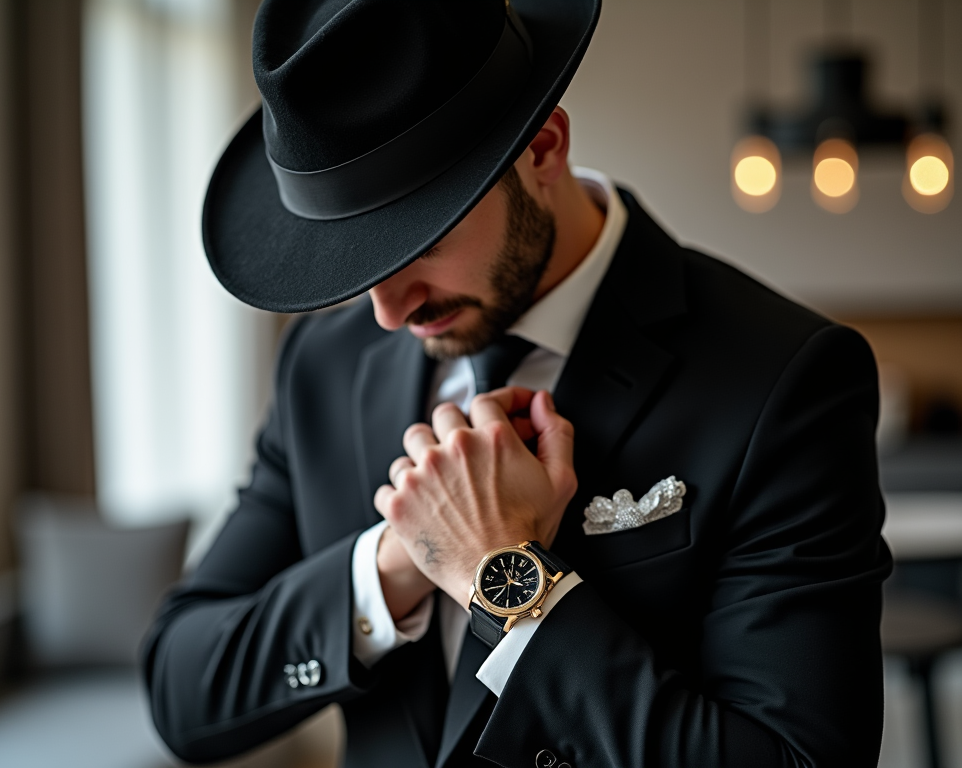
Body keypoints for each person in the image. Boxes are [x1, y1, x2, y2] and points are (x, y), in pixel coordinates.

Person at [142, 0, 892, 766]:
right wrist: (399, 559)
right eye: (349, 261)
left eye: (419, 240)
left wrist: (501, 573)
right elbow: (182, 687)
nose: (388, 310)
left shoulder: (785, 375)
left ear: (542, 150)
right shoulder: (324, 364)